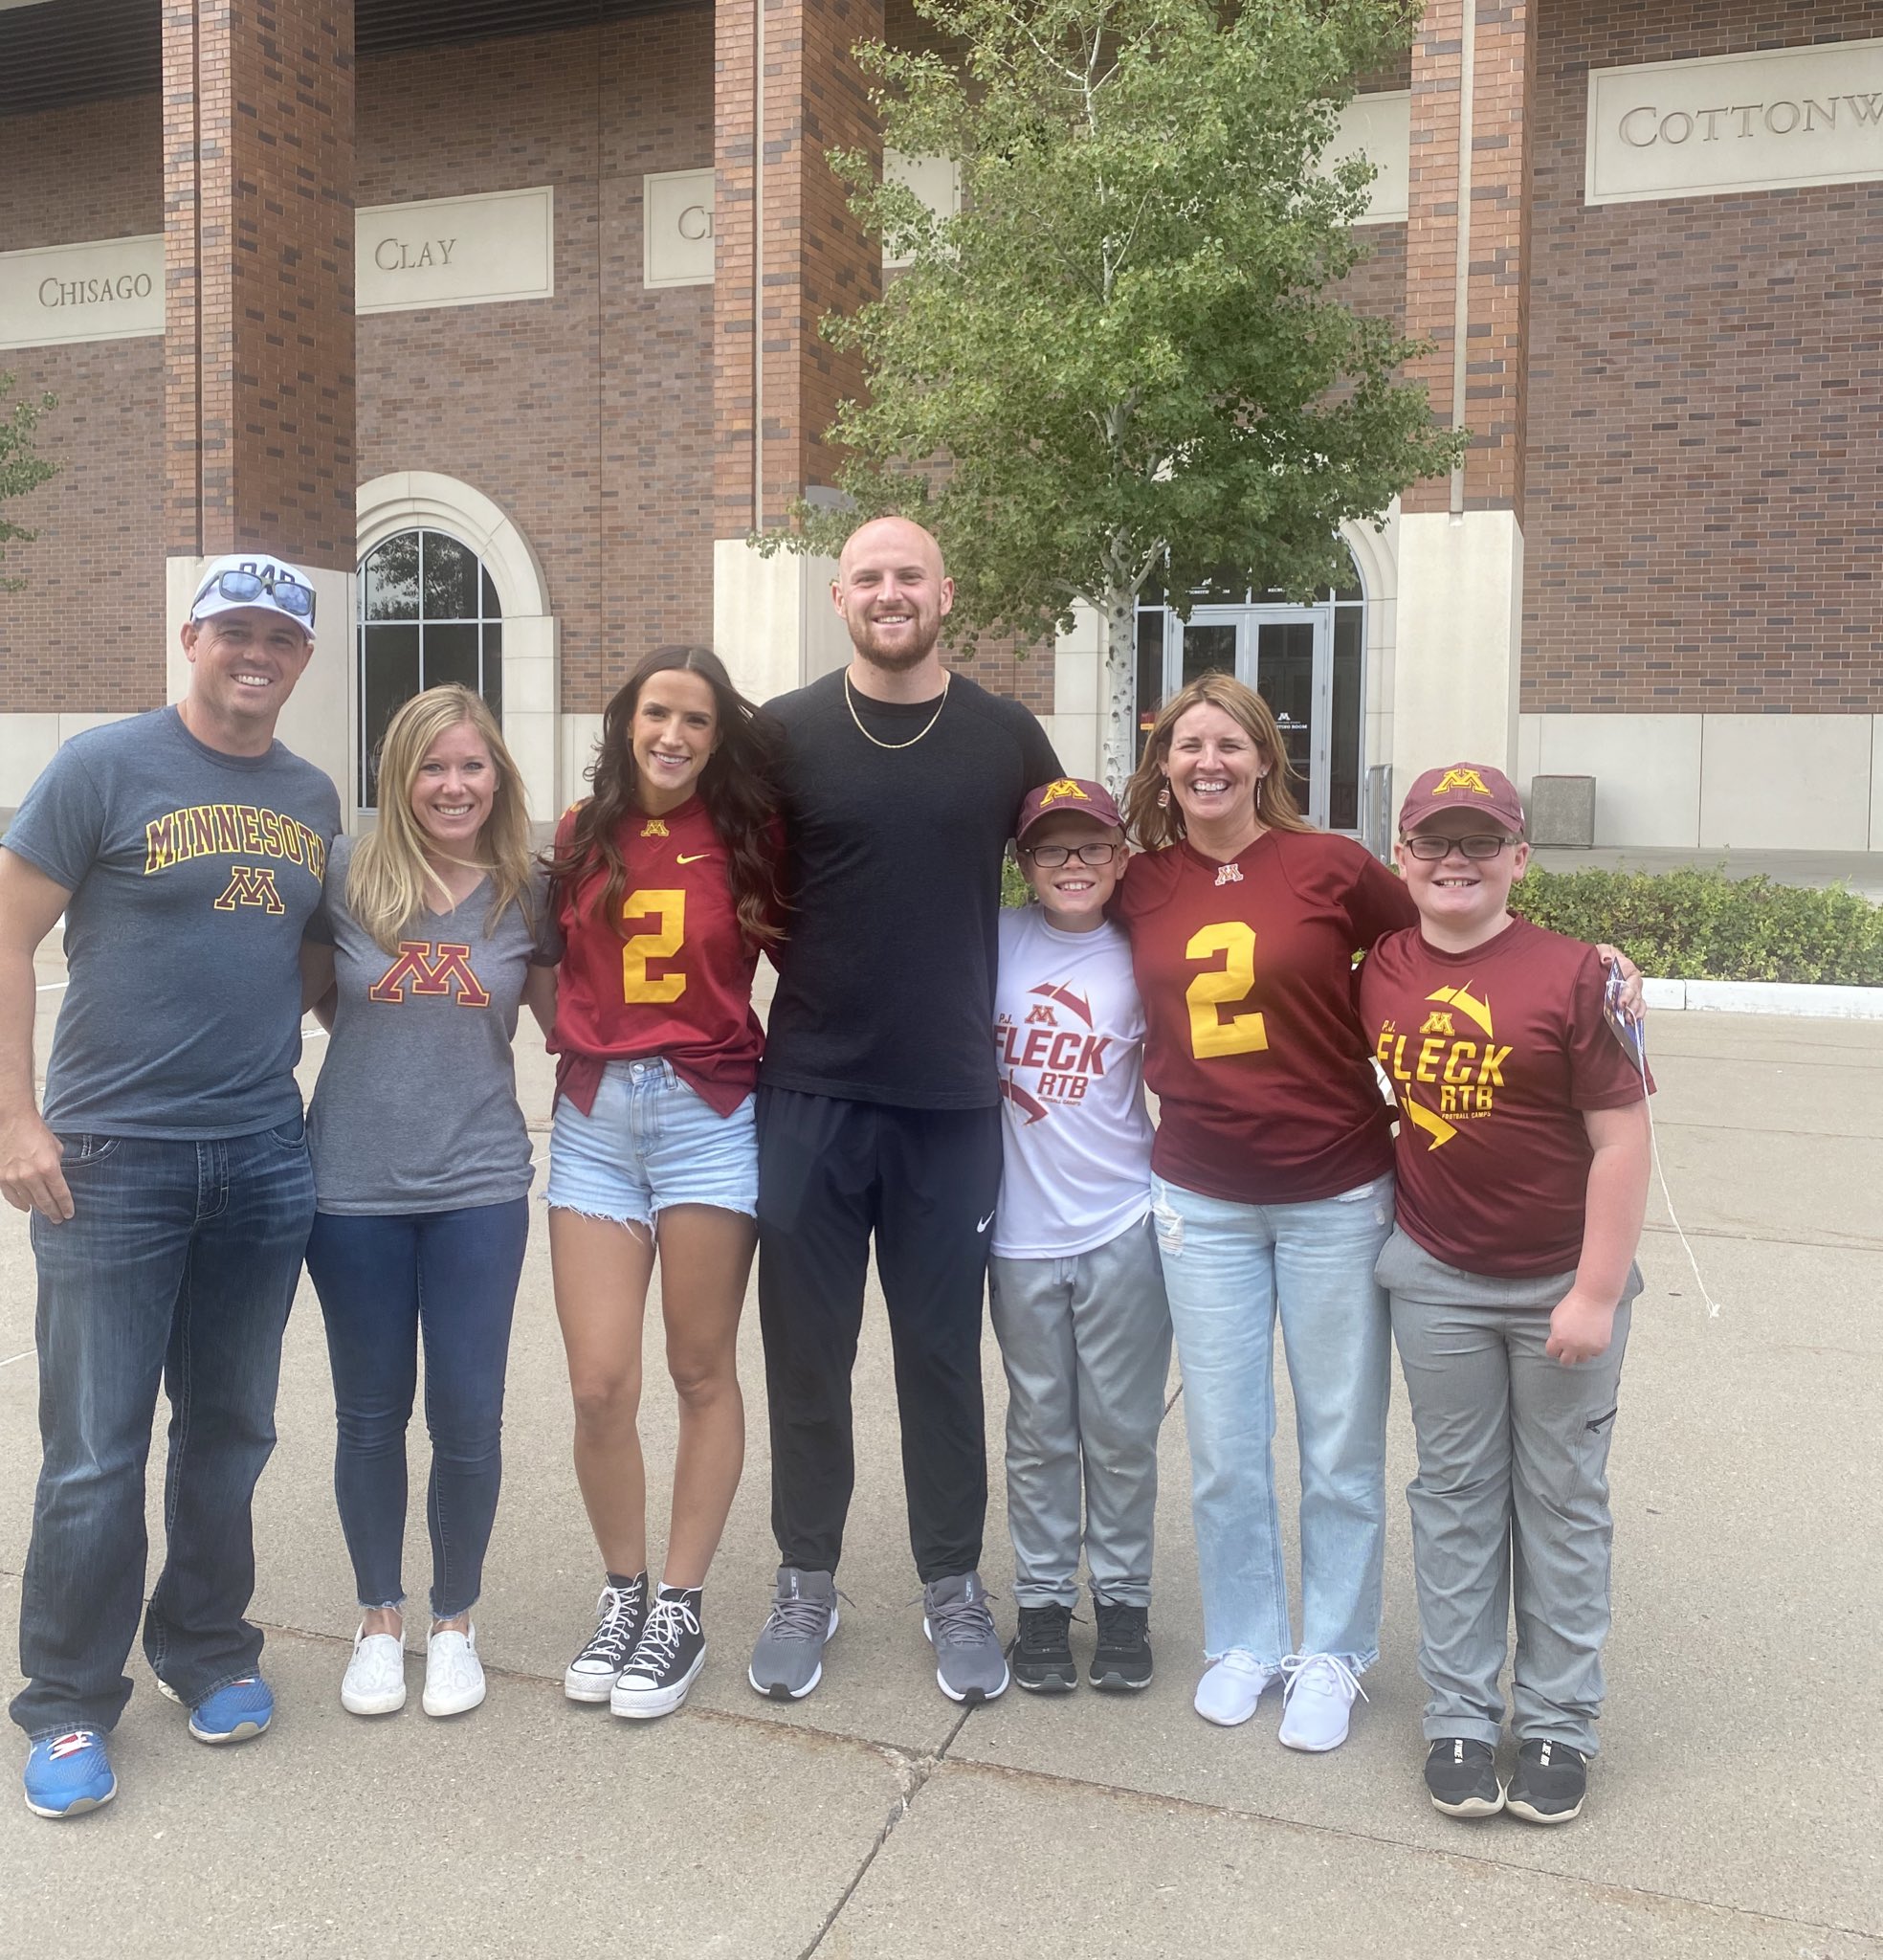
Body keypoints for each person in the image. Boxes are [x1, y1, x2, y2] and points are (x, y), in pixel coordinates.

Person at [1114, 674, 1639, 1756]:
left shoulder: (1335, 866)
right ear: (1162, 764)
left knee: (1341, 1437)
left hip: (1335, 1189)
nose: (1206, 761)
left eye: (1229, 744)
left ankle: (1337, 1648)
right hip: (1199, 1194)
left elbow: (1466, 928)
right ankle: (1248, 1635)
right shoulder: (1140, 880)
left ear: (1266, 758)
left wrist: (1604, 967)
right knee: (1221, 1440)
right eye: (1186, 746)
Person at [1, 554, 340, 1817]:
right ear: (192, 638)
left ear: (303, 659)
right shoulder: (103, 767)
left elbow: (307, 959)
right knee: (94, 1449)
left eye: (281, 638)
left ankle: (206, 1652)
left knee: (232, 1429)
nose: (257, 653)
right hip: (109, 1163)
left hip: (260, 1158)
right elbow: (8, 930)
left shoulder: (309, 796)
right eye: (235, 630)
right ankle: (70, 1704)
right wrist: (13, 1118)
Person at [746, 515, 1060, 1707]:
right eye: (870, 576)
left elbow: (1096, 876)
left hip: (950, 1104)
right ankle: (805, 1575)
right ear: (839, 596)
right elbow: (707, 863)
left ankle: (951, 1584)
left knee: (941, 1357)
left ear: (947, 591)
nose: (891, 593)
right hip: (811, 1092)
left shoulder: (1003, 736)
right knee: (807, 1356)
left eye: (910, 576)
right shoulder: (782, 734)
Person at [1360, 764, 1650, 1826]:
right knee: (1454, 1497)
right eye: (1437, 841)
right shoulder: (1378, 966)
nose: (1457, 861)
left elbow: (1622, 1140)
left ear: (1520, 859)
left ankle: (1561, 1722)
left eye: (1483, 842)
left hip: (1558, 1287)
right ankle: (1463, 1715)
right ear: (1403, 859)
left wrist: (1596, 1291)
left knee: (1562, 1501)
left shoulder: (1579, 978)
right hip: (1436, 1278)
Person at [299, 685, 556, 1722]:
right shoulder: (344, 874)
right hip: (350, 1188)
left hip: (479, 1188)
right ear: (398, 776)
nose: (454, 785)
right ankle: (379, 1618)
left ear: (499, 776)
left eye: (472, 765)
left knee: (468, 1414)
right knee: (368, 1415)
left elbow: (574, 1018)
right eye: (432, 766)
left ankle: (455, 1620)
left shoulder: (525, 888)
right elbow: (312, 994)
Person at [543, 645, 784, 1721]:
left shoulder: (750, 836)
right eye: (657, 714)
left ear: (719, 734)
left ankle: (680, 1602)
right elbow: (545, 958)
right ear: (626, 720)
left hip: (709, 1113)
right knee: (599, 1381)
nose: (673, 735)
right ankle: (623, 1586)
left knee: (698, 1368)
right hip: (596, 1116)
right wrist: (582, 1036)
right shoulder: (579, 831)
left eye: (695, 719)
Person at [990, 777, 1170, 1695]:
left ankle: (1126, 1603)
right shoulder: (993, 942)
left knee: (1120, 1429)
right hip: (1018, 1235)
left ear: (1120, 858)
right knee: (1039, 1431)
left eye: (1092, 847)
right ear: (1024, 864)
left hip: (1120, 1223)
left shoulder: (1144, 953)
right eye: (1052, 849)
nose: (1073, 864)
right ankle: (1045, 1606)